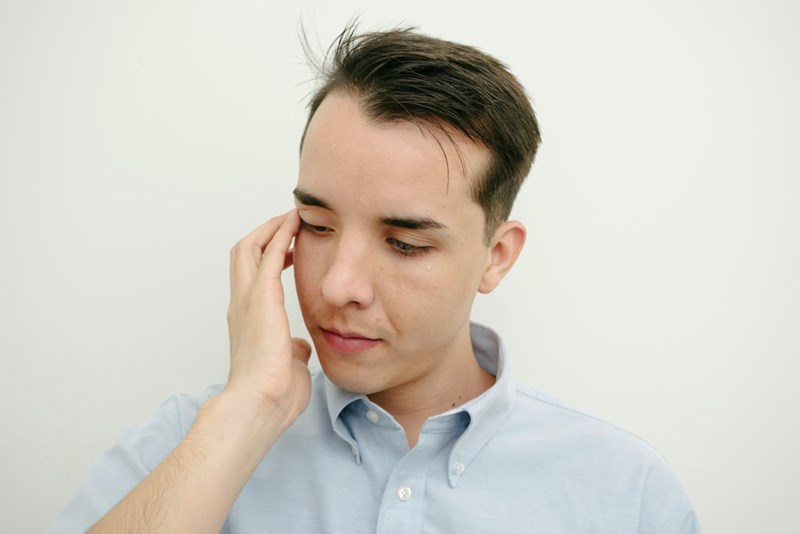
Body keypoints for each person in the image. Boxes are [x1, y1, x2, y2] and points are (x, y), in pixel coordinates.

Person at [50, 24, 700, 533]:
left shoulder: (623, 490)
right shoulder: (190, 442)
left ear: (496, 257)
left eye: (404, 242)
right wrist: (248, 412)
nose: (337, 287)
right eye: (318, 224)